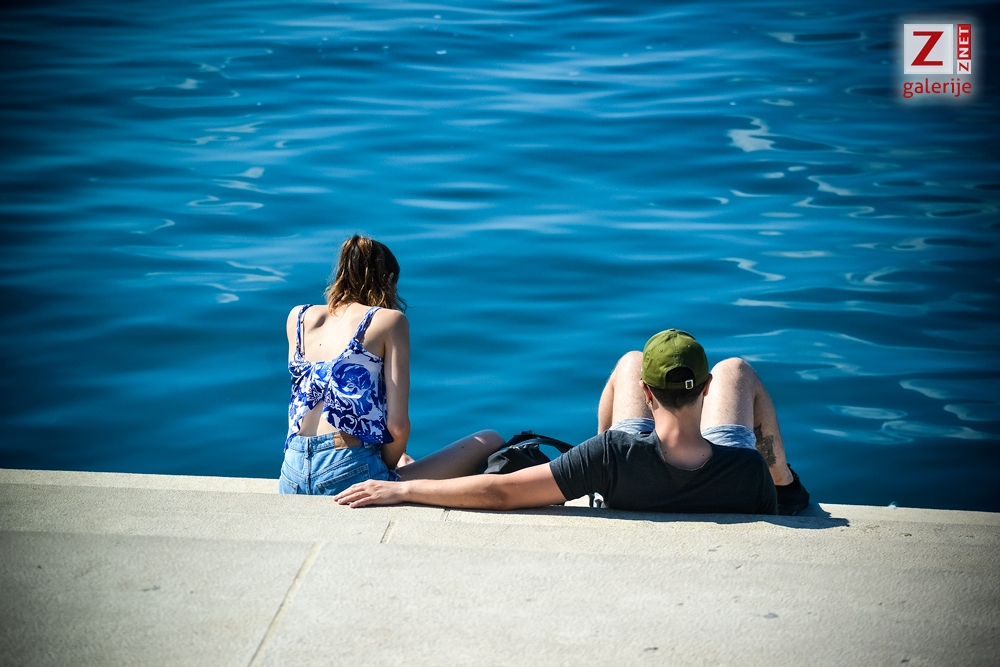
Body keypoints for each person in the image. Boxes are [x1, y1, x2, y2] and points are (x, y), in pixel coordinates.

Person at [334, 329, 811, 516]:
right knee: (737, 369)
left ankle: (598, 487)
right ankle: (786, 482)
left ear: (647, 394)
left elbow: (502, 492)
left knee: (629, 359)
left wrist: (402, 489)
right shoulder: (747, 470)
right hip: (727, 462)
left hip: (625, 468)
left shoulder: (611, 454)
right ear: (704, 390)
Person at [279, 235, 505, 495]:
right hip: (347, 470)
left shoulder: (298, 317)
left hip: (291, 472)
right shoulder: (388, 320)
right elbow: (398, 428)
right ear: (388, 280)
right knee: (490, 439)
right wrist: (387, 469)